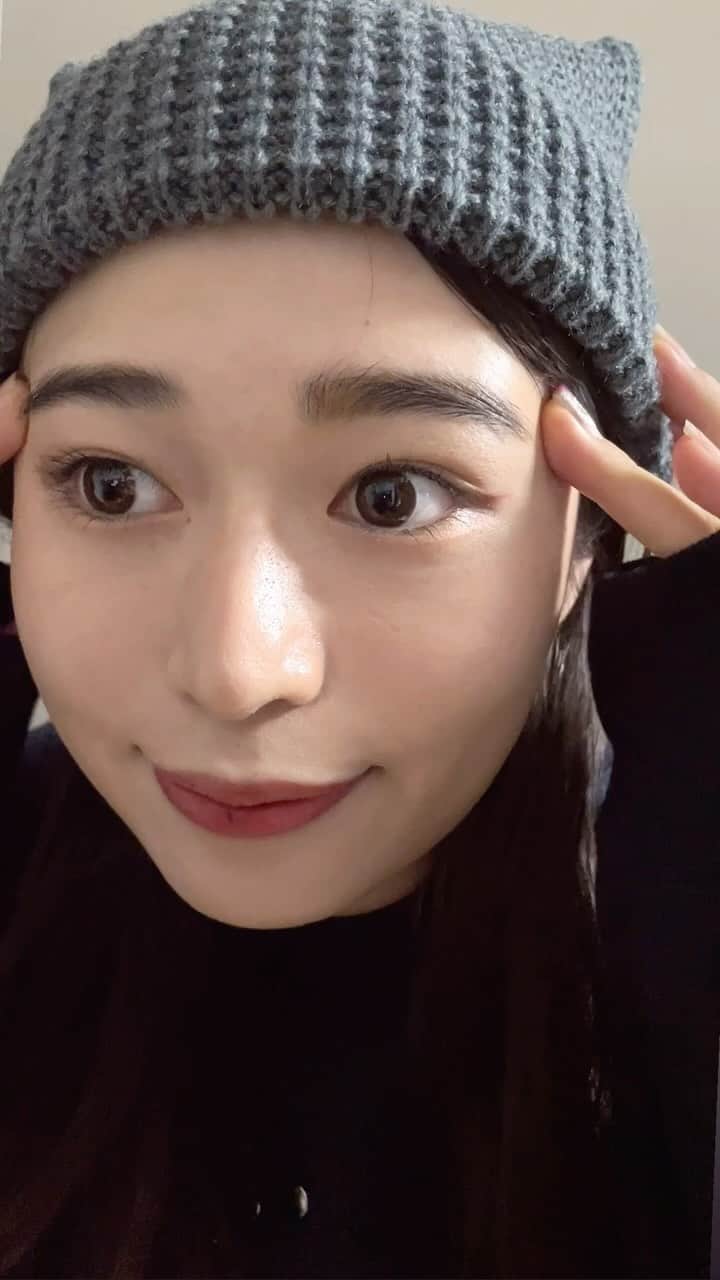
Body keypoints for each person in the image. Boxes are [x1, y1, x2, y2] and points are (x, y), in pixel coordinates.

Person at [0, 0, 717, 1276]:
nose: (238, 672)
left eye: (392, 495)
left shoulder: (674, 961)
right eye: (110, 483)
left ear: (591, 534)